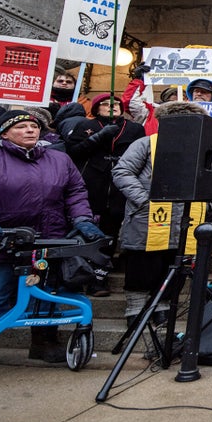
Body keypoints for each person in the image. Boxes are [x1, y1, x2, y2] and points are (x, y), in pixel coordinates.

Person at [0, 110, 108, 372]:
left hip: (48, 238)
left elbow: (75, 192)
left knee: (45, 293)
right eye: (21, 127)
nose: (30, 130)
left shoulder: (58, 158)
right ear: (5, 133)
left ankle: (44, 341)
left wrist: (82, 219)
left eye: (33, 126)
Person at [112, 101, 210, 331]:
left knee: (172, 262)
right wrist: (143, 199)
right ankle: (135, 308)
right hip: (148, 217)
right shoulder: (144, 144)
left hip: (183, 219)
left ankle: (162, 306)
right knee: (142, 263)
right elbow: (122, 172)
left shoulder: (200, 150)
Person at [65, 94, 145, 296]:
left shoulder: (134, 128)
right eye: (107, 105)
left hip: (120, 188)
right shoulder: (86, 125)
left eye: (116, 104)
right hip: (94, 185)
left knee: (112, 231)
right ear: (97, 108)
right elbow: (73, 151)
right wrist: (98, 137)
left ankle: (100, 276)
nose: (113, 107)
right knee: (92, 231)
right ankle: (86, 275)